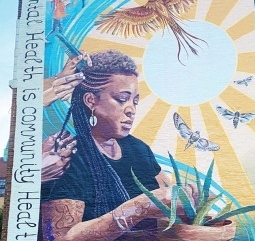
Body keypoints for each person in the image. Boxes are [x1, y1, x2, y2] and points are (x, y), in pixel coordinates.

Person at [40, 50, 197, 241]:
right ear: (91, 101)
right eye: (122, 99)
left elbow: (170, 203)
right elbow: (59, 237)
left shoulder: (138, 150)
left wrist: (189, 200)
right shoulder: (65, 157)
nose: (131, 110)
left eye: (135, 101)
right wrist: (139, 207)